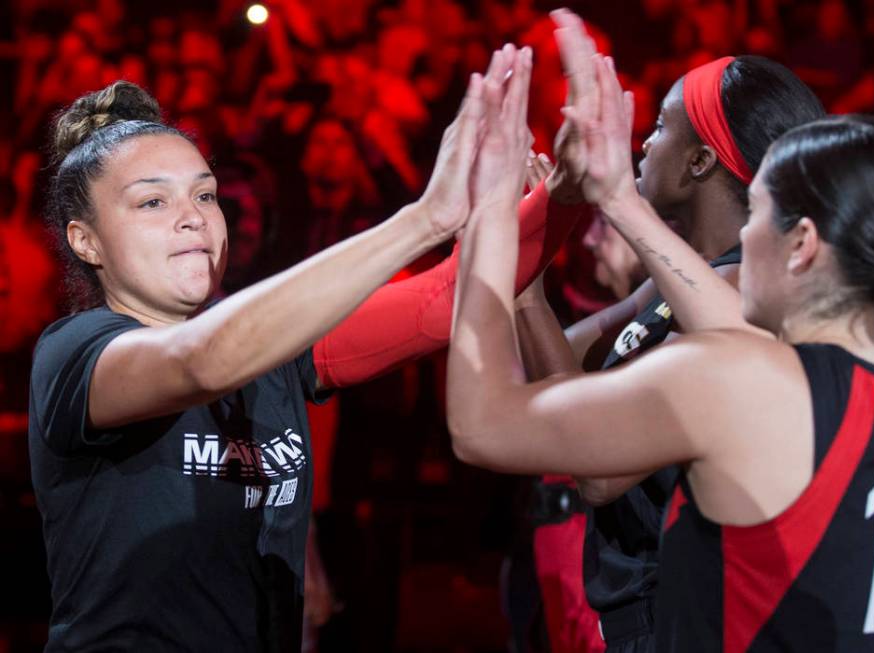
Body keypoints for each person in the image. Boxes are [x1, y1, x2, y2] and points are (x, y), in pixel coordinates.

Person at [28, 45, 582, 651]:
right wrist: (423, 219)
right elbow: (202, 360)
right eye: (153, 201)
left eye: (205, 195)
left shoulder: (277, 343)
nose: (193, 218)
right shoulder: (76, 355)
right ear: (86, 242)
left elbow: (449, 295)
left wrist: (574, 190)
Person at [447, 32, 874, 652]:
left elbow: (481, 427)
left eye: (758, 215)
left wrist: (489, 214)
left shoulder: (744, 382)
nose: (745, 238)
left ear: (801, 243)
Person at [513, 10, 825, 650]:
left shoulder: (742, 297)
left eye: (659, 129)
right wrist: (543, 229)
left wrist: (523, 290)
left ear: (701, 160)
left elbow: (598, 469)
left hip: (685, 621)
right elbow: (554, 375)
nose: (643, 146)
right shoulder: (678, 282)